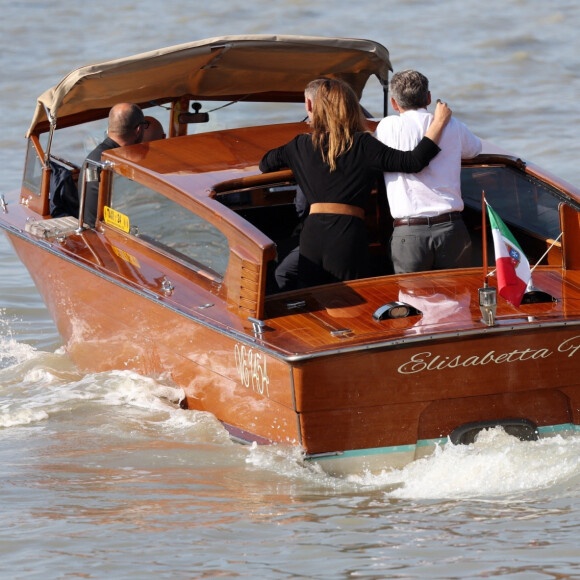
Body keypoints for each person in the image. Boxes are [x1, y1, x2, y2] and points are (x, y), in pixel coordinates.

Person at [259, 78, 452, 288]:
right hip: (347, 234)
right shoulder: (363, 144)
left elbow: (265, 163)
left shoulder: (299, 145)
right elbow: (414, 161)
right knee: (351, 305)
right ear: (352, 106)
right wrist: (439, 123)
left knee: (313, 303)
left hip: (311, 235)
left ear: (310, 106)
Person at [375, 70, 482, 274]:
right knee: (457, 300)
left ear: (394, 103)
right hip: (451, 230)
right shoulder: (452, 125)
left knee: (412, 302)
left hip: (409, 234)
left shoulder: (386, 127)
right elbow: (475, 149)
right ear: (429, 97)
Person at [81, 103, 146, 227]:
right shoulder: (117, 165)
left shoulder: (95, 156)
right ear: (138, 130)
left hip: (92, 229)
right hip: (105, 235)